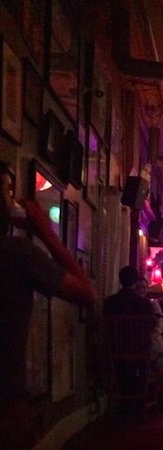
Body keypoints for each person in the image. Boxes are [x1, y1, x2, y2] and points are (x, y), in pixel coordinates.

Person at [0, 161, 96, 447]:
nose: (13, 198)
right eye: (7, 190)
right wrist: (45, 232)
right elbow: (87, 292)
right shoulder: (15, 253)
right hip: (6, 398)